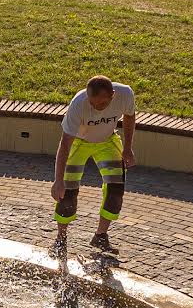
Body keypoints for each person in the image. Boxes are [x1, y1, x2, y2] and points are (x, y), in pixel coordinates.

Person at [53, 76, 137, 252]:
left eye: (103, 104)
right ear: (87, 96)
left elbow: (129, 117)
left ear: (113, 95)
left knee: (116, 189)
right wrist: (58, 180)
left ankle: (100, 236)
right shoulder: (78, 104)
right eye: (93, 103)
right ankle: (61, 238)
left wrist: (128, 148)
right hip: (79, 142)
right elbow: (65, 143)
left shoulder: (125, 94)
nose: (97, 108)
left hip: (107, 141)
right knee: (67, 192)